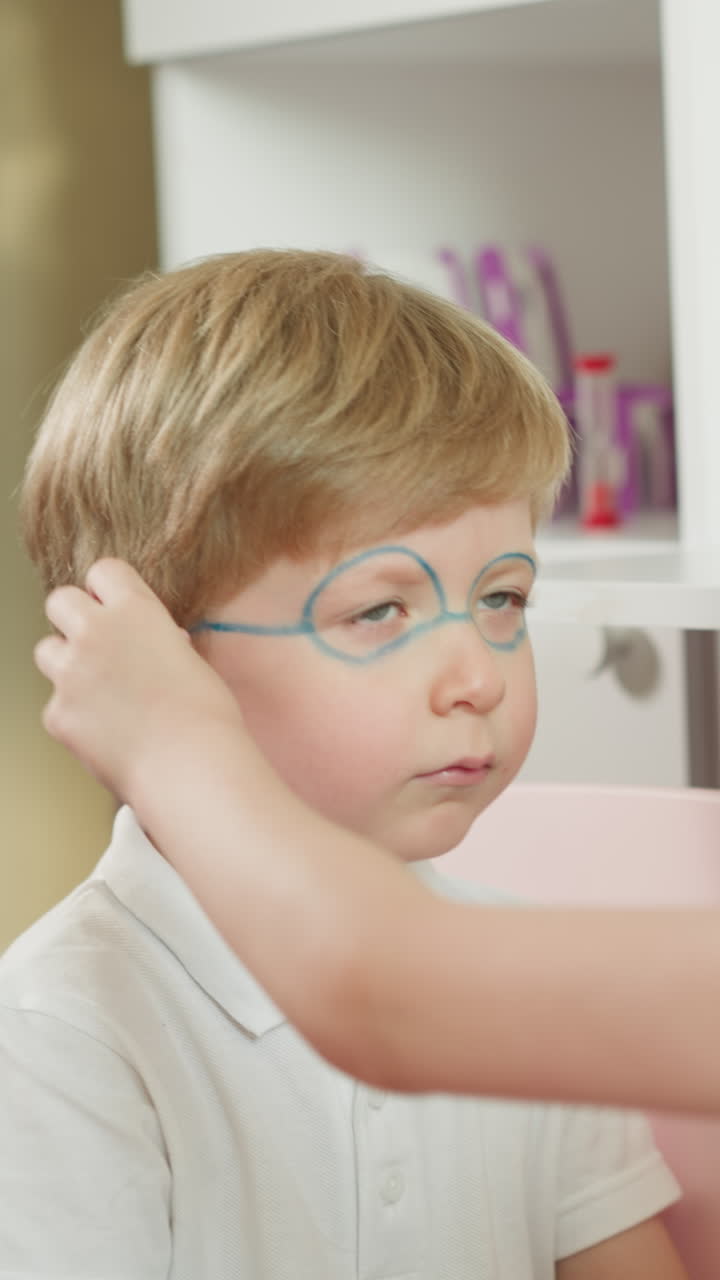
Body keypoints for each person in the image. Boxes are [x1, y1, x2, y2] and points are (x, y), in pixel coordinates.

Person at [10, 249, 685, 1278]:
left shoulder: (531, 987)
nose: (478, 676)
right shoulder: (60, 1030)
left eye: (503, 598)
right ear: (152, 651)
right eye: (381, 609)